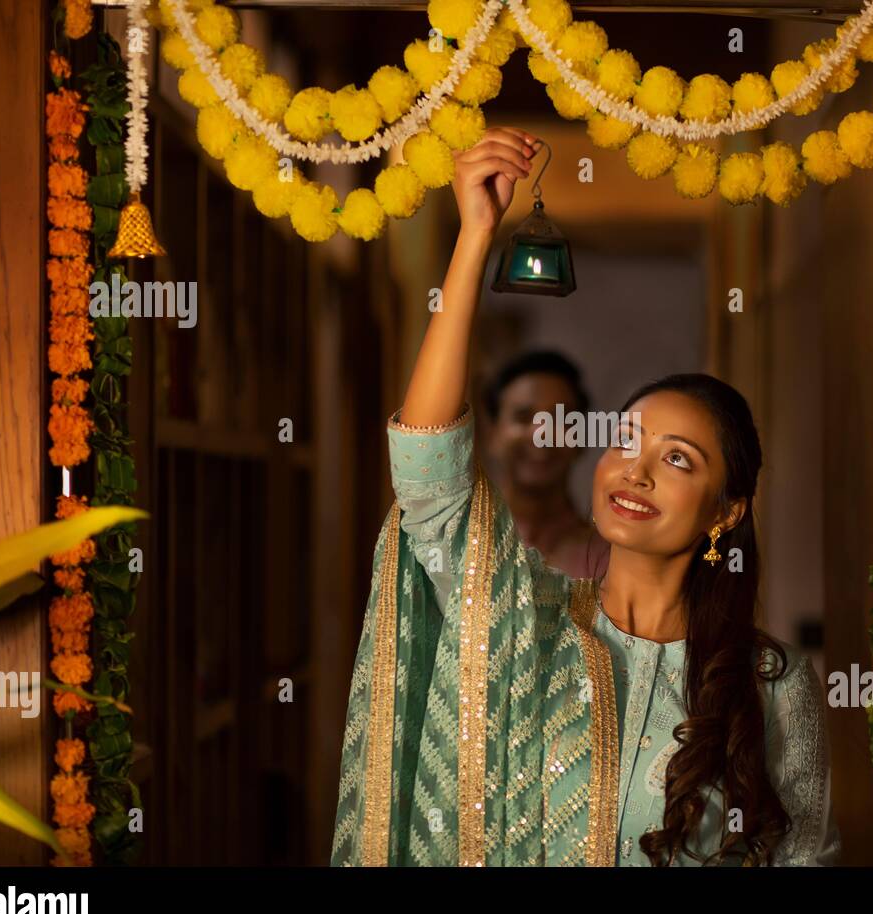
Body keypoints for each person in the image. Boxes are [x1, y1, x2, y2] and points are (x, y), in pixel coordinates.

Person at [332, 127, 839, 867]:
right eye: (626, 441)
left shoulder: (771, 684)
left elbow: (806, 857)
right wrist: (475, 237)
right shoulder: (525, 618)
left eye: (676, 460)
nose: (634, 471)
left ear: (726, 511)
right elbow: (427, 471)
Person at [483, 350, 604, 579]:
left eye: (559, 419)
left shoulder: (607, 561)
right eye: (523, 417)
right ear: (492, 434)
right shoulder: (458, 547)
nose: (541, 433)